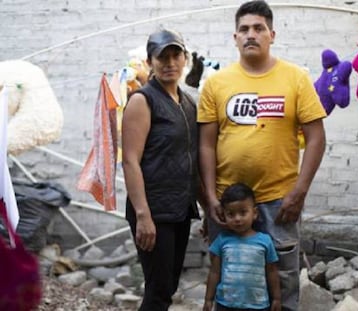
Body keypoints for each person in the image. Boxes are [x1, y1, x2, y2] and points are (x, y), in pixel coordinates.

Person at [197, 1, 326, 310]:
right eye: (244, 29)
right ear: (235, 37)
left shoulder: (295, 78)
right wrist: (210, 199)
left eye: (258, 28)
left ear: (272, 34)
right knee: (230, 281)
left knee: (281, 283)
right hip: (228, 206)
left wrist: (299, 192)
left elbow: (317, 138)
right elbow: (205, 145)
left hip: (279, 203)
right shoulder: (216, 83)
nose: (251, 35)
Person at [122, 28, 199, 311]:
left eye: (175, 55)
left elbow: (191, 159)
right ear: (150, 61)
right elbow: (130, 160)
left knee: (167, 288)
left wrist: (203, 203)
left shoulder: (188, 102)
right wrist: (143, 216)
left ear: (185, 58)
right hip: (152, 210)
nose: (169, 63)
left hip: (179, 208)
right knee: (158, 293)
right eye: (161, 56)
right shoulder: (143, 101)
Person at [203, 183, 281, 311]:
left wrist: (277, 298)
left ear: (254, 213)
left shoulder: (265, 241)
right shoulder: (222, 241)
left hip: (257, 304)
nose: (237, 219)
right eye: (231, 214)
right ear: (224, 215)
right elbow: (215, 272)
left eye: (243, 212)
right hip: (226, 304)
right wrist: (208, 299)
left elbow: (272, 271)